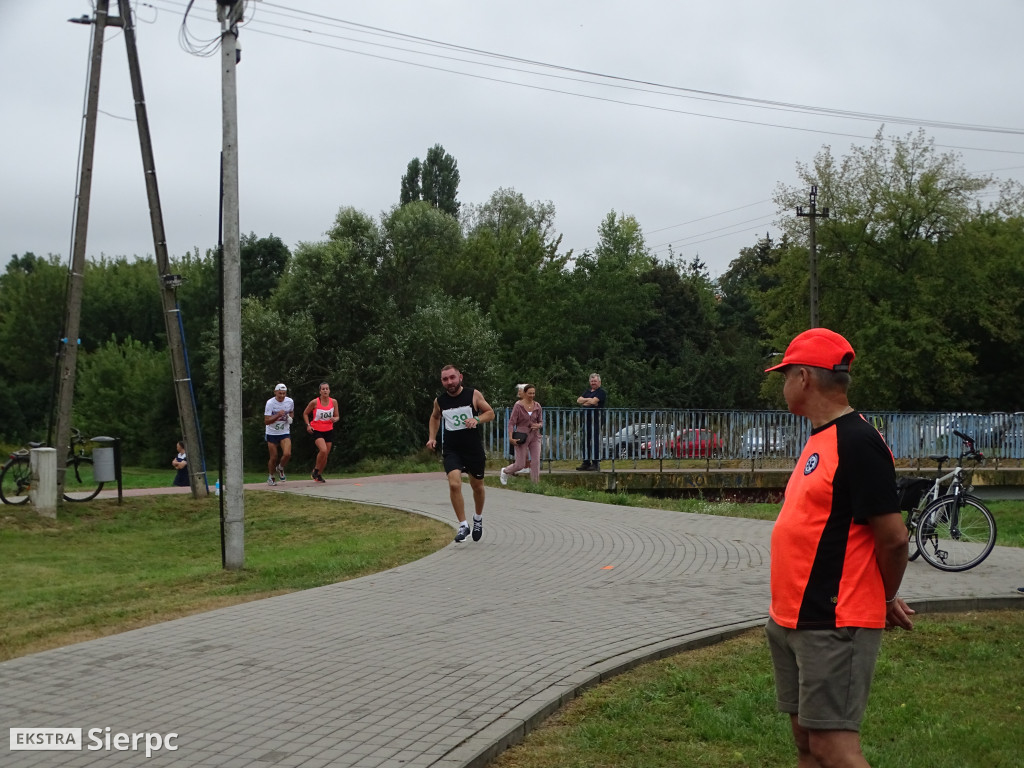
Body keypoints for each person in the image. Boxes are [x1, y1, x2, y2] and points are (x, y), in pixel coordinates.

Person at [763, 328, 915, 768]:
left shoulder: (857, 442)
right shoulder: (820, 438)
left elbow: (894, 538)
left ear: (805, 378)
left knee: (833, 746)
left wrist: (882, 597)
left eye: (785, 374)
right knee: (806, 743)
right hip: (793, 616)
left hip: (834, 619)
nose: (783, 384)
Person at [427, 364, 495, 543]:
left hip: (472, 449)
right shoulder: (440, 401)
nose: (449, 382)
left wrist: (477, 419)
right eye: (445, 379)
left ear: (460, 377)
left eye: (452, 377)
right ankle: (463, 525)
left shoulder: (473, 395)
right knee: (454, 484)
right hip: (452, 449)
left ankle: (477, 519)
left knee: (477, 486)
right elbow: (435, 417)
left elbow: (490, 413)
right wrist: (432, 437)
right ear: (442, 381)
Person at [500, 384, 543, 485]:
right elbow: (511, 423)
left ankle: (535, 485)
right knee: (520, 464)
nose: (532, 395)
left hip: (535, 436)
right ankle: (505, 471)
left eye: (533, 393)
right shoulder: (518, 405)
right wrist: (510, 437)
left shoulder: (537, 406)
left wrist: (539, 425)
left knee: (536, 462)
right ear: (524, 393)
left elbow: (541, 421)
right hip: (521, 436)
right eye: (529, 393)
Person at [303, 382, 338, 483]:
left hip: (329, 429)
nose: (325, 390)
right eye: (323, 389)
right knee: (323, 450)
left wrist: (335, 419)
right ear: (320, 391)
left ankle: (318, 475)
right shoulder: (315, 402)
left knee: (326, 454)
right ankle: (316, 470)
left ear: (329, 390)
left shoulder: (334, 402)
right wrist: (308, 425)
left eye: (327, 389)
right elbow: (305, 413)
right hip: (317, 429)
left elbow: (337, 416)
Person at [264, 383, 294, 486]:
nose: (281, 396)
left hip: (284, 431)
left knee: (287, 454)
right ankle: (271, 477)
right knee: (274, 457)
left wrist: (290, 418)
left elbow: (291, 412)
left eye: (284, 393)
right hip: (272, 432)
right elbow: (266, 421)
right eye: (280, 393)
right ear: (275, 392)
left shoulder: (290, 401)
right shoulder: (270, 403)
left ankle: (280, 467)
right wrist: (278, 415)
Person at [576, 372, 606, 471]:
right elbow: (579, 400)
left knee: (594, 441)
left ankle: (595, 463)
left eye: (595, 381)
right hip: (586, 419)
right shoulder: (587, 391)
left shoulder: (601, 392)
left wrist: (588, 401)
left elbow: (593, 402)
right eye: (592, 381)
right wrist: (589, 400)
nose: (593, 383)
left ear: (599, 382)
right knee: (585, 441)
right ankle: (586, 462)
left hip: (596, 420)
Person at [514, 384, 532, 476]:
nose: (518, 393)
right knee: (522, 448)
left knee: (523, 448)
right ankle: (524, 466)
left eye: (520, 391)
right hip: (522, 428)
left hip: (525, 429)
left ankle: (525, 467)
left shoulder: (524, 404)